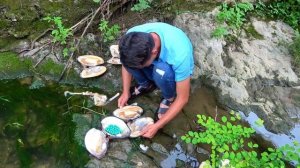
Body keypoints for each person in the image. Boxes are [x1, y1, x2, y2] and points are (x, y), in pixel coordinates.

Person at [117, 22, 194, 138]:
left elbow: (183, 98)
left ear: (154, 52)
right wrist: (125, 91)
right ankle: (145, 84)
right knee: (128, 60)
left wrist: (157, 125)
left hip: (167, 70)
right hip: (151, 60)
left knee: (162, 70)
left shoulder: (180, 54)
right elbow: (126, 63)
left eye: (140, 66)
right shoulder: (132, 37)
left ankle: (169, 98)